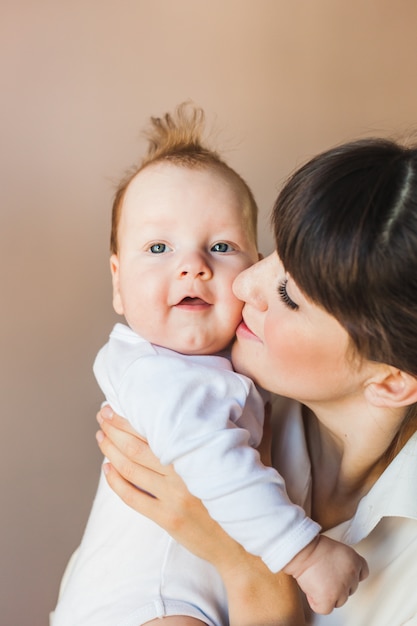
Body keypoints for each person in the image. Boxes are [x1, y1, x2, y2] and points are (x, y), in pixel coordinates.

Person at [52, 104, 366, 626]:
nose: (193, 265)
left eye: (221, 246)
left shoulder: (227, 370)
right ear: (116, 282)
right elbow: (213, 465)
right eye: (158, 247)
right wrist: (305, 555)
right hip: (148, 605)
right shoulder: (159, 375)